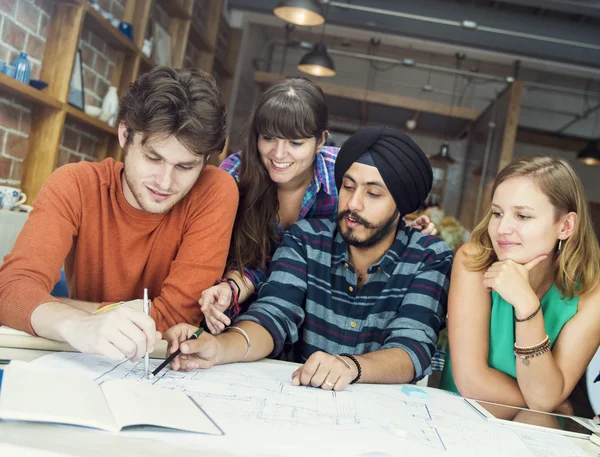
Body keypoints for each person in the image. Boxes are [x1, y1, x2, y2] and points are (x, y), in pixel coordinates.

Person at [164, 126, 453, 390]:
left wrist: (349, 367)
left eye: (374, 193)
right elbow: (272, 315)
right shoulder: (306, 239)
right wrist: (218, 347)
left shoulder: (428, 257)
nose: (353, 204)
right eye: (349, 187)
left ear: (401, 205)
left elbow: (412, 348)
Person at [0, 67, 238, 362]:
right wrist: (78, 325)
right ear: (125, 134)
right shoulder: (74, 184)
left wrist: (59, 305)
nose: (165, 182)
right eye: (154, 157)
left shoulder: (214, 190)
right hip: (85, 360)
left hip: (165, 366)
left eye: (185, 167)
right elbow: (11, 292)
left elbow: (174, 317)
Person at [200, 77, 435, 334]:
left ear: (321, 140)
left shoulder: (344, 176)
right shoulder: (235, 175)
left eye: (295, 143)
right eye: (268, 138)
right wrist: (230, 289)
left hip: (317, 323)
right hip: (237, 316)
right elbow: (235, 256)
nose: (279, 154)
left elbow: (369, 227)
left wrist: (401, 231)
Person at [440, 156, 600, 416]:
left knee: (536, 421)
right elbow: (472, 382)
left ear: (566, 226)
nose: (502, 228)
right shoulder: (474, 261)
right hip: (462, 417)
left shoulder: (592, 293)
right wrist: (551, 406)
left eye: (522, 216)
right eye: (497, 213)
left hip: (535, 431)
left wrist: (526, 306)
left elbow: (544, 398)